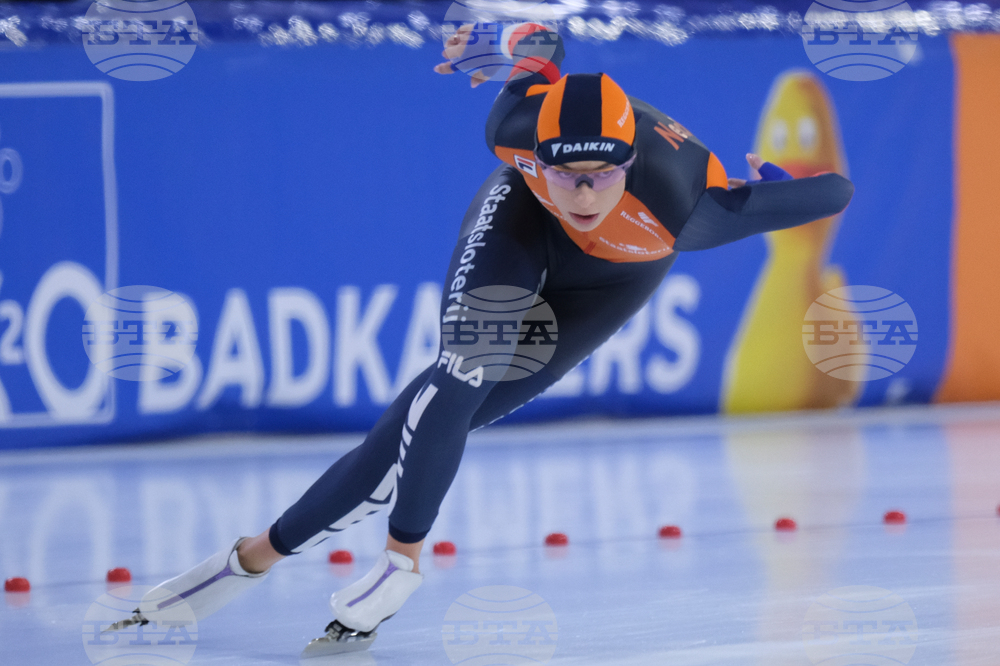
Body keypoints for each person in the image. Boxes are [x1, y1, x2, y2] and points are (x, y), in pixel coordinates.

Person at [107, 22, 854, 656]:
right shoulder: (512, 131)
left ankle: (249, 559)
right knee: (462, 372)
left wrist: (777, 181)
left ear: (630, 164)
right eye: (566, 172)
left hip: (610, 284)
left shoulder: (694, 207)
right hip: (519, 228)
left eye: (601, 175)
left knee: (419, 428)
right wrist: (505, 38)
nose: (583, 194)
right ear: (537, 155)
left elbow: (834, 192)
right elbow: (543, 48)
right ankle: (400, 561)